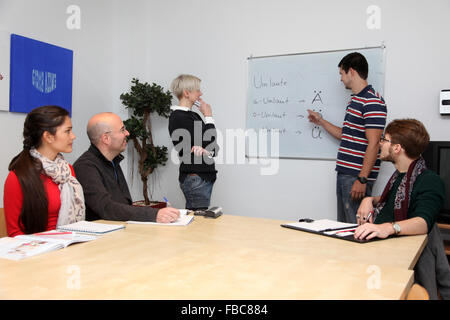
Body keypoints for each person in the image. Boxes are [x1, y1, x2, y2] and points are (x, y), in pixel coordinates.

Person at [354, 119, 450, 299]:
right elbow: (390, 202)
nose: (380, 143)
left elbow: (423, 222)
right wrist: (370, 200)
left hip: (397, 264)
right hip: (378, 255)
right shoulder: (399, 179)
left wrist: (386, 228)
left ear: (397, 148)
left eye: (385, 139)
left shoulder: (429, 180)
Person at [307, 52, 387, 223]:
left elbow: (374, 143)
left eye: (341, 74)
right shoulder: (355, 101)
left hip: (355, 177)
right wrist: (321, 121)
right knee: (343, 228)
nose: (341, 79)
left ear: (351, 71)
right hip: (346, 175)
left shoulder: (372, 101)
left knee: (355, 229)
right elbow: (346, 135)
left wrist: (362, 178)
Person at [73, 112, 179, 223]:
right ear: (106, 138)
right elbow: (106, 208)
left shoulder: (113, 160)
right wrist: (154, 214)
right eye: (122, 130)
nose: (127, 133)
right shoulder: (85, 167)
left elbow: (123, 204)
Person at [3, 105, 85, 237]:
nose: (73, 136)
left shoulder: (67, 170)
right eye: (67, 131)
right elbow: (15, 233)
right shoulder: (18, 177)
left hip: (70, 244)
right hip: (38, 251)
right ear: (48, 136)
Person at [168, 74, 219, 210]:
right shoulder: (179, 117)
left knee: (199, 223)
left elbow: (211, 148)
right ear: (186, 93)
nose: (200, 93)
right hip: (196, 178)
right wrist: (208, 115)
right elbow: (211, 145)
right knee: (198, 224)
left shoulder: (193, 115)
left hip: (201, 177)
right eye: (197, 90)